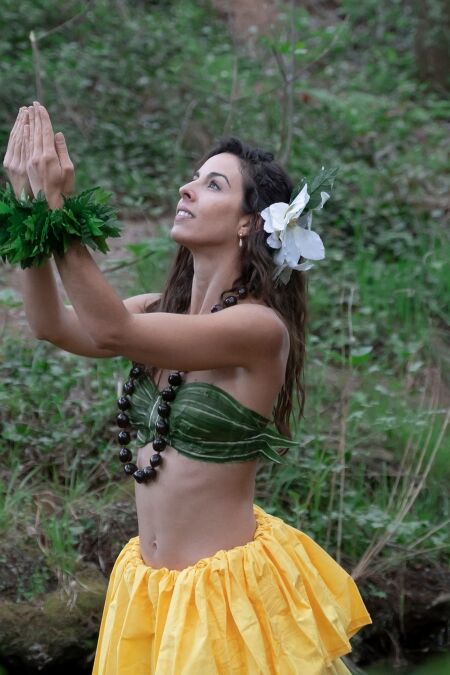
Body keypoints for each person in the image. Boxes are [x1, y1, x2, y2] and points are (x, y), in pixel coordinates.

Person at [3, 103, 371, 674]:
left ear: (250, 222)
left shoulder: (257, 329)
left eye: (213, 183)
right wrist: (30, 208)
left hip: (225, 604)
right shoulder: (159, 309)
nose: (188, 187)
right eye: (194, 177)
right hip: (151, 592)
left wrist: (59, 205)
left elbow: (110, 329)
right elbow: (56, 326)